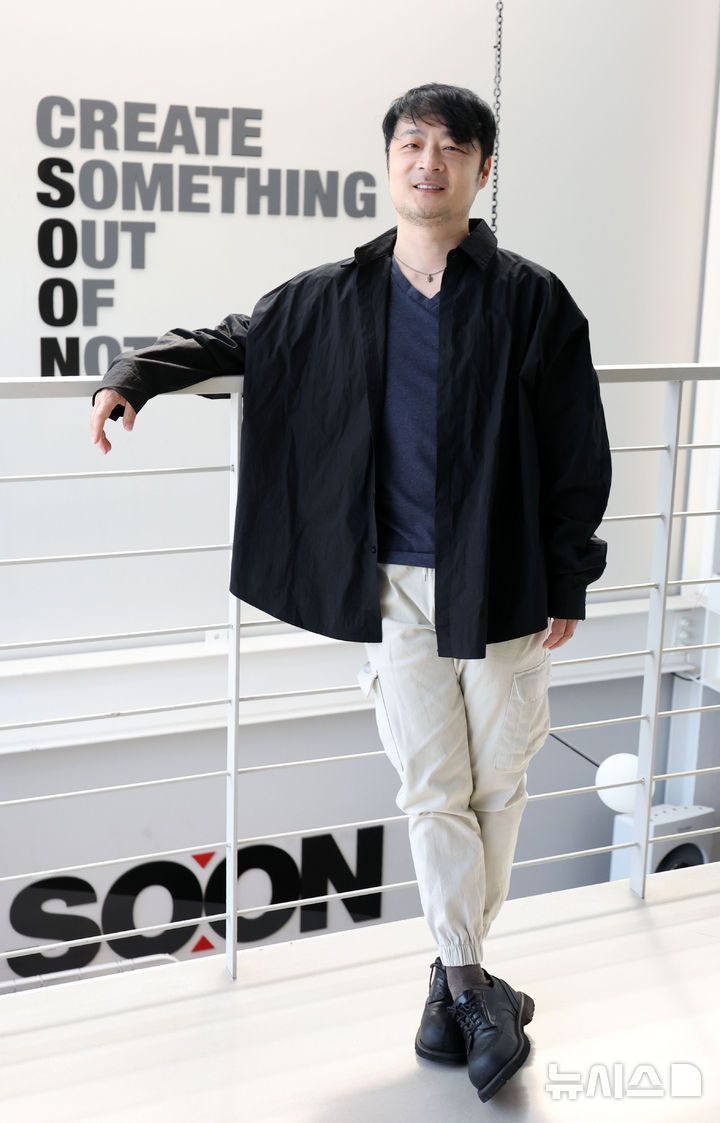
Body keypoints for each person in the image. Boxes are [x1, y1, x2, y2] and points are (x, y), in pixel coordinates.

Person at [89, 82, 612, 1103]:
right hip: (392, 584)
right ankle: (473, 984)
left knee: (498, 784)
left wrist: (569, 576)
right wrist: (133, 373)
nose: (429, 162)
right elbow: (233, 340)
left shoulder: (533, 299)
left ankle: (451, 983)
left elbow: (575, 449)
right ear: (389, 163)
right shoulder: (330, 296)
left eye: (451, 148)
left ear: (482, 169)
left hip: (503, 576)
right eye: (412, 144)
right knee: (431, 786)